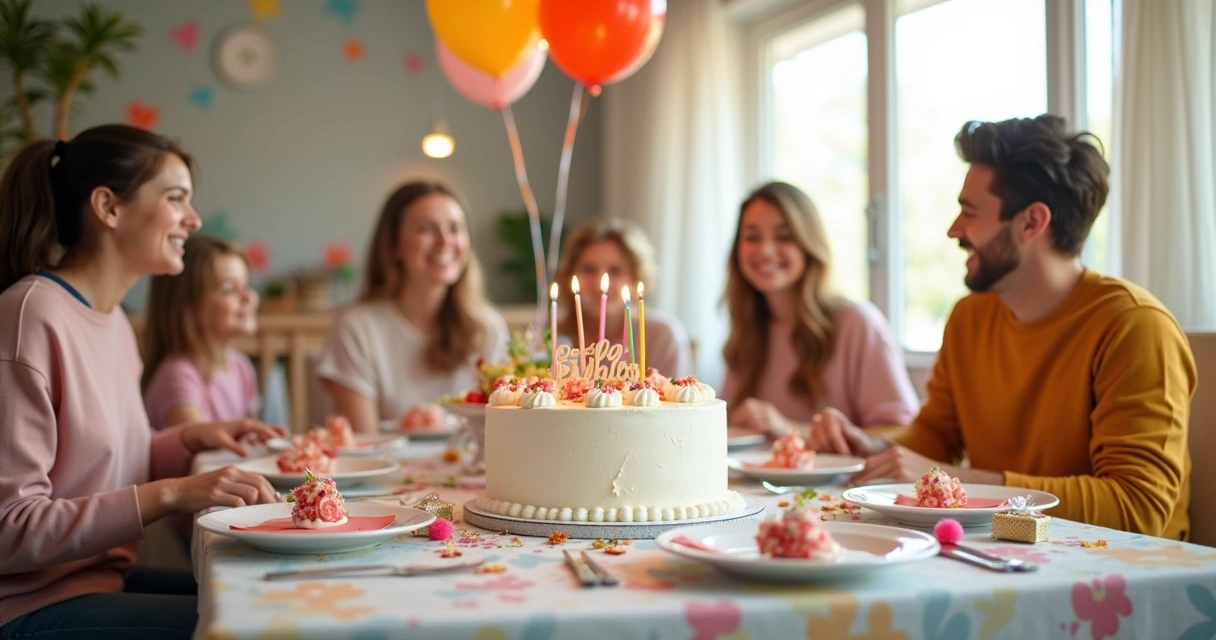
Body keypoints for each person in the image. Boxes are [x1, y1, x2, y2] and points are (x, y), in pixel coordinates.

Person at [813, 115, 1195, 539]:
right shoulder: (969, 318)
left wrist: (967, 482)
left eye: (969, 212)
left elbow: (1138, 508)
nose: (954, 230)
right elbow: (937, 434)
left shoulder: (1135, 327)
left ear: (1032, 222)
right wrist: (874, 446)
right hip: (1007, 550)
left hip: (1125, 566)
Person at [0, 125, 283, 638]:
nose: (193, 219)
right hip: (27, 607)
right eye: (175, 198)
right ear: (108, 208)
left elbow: (106, 461)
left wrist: (188, 440)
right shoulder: (29, 317)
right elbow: (9, 527)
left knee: (275, 595)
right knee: (261, 628)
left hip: (96, 580)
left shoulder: (114, 322)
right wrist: (172, 493)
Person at [722, 181, 920, 439]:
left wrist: (790, 429)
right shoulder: (747, 328)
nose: (765, 250)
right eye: (752, 237)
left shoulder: (857, 323)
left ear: (809, 244)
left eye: (784, 236)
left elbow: (901, 434)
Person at [316, 181, 508, 433]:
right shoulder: (356, 329)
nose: (445, 241)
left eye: (454, 228)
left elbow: (498, 433)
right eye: (425, 229)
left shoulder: (488, 327)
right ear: (393, 245)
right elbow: (364, 443)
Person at [142, 234, 260, 430]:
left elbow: (252, 437)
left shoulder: (241, 368)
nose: (248, 296)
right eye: (229, 289)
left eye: (247, 285)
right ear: (188, 306)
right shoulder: (178, 375)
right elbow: (199, 446)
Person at [554, 217, 693, 378]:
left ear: (636, 277)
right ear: (569, 275)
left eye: (616, 270)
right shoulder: (551, 334)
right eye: (588, 269)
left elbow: (675, 393)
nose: (600, 284)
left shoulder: (662, 337)